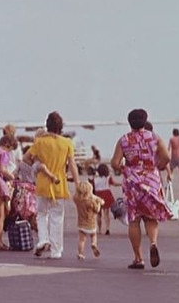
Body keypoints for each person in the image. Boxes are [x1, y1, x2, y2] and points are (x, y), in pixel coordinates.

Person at [111, 108, 172, 269]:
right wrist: (155, 168)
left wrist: (126, 170)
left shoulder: (123, 140)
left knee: (134, 220)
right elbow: (167, 157)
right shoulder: (155, 138)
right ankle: (153, 243)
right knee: (151, 217)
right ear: (145, 121)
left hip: (132, 184)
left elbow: (115, 163)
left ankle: (138, 258)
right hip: (151, 180)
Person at [23, 111, 80, 259]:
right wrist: (78, 183)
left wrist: (37, 164)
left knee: (41, 214)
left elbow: (26, 158)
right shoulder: (66, 143)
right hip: (59, 184)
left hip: (43, 183)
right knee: (57, 217)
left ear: (47, 126)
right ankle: (56, 250)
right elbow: (72, 165)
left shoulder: (40, 142)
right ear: (60, 127)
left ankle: (43, 239)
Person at [72, 181, 104, 260]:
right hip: (91, 223)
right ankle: (93, 243)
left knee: (82, 240)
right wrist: (99, 203)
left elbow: (75, 196)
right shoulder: (91, 202)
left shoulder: (77, 200)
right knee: (93, 235)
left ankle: (80, 253)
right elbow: (97, 210)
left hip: (81, 223)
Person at [93, 163, 117, 235]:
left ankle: (99, 230)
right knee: (106, 213)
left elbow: (93, 188)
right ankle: (107, 228)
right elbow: (114, 184)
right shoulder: (108, 178)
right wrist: (121, 184)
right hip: (106, 194)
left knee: (98, 214)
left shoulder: (95, 179)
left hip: (98, 195)